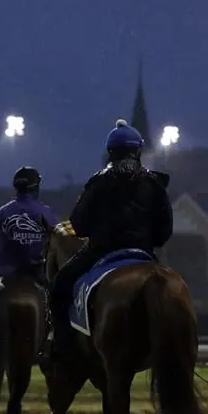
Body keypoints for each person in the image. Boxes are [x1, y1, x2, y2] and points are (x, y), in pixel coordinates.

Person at [40, 119, 173, 362]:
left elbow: (78, 223)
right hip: (144, 252)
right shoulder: (155, 183)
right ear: (138, 151)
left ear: (110, 151)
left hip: (102, 251)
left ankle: (62, 347)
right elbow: (164, 231)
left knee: (60, 286)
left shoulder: (99, 180)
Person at [0, 166, 58, 283]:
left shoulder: (1, 212)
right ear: (36, 187)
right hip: (38, 275)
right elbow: (57, 244)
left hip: (5, 273)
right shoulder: (47, 213)